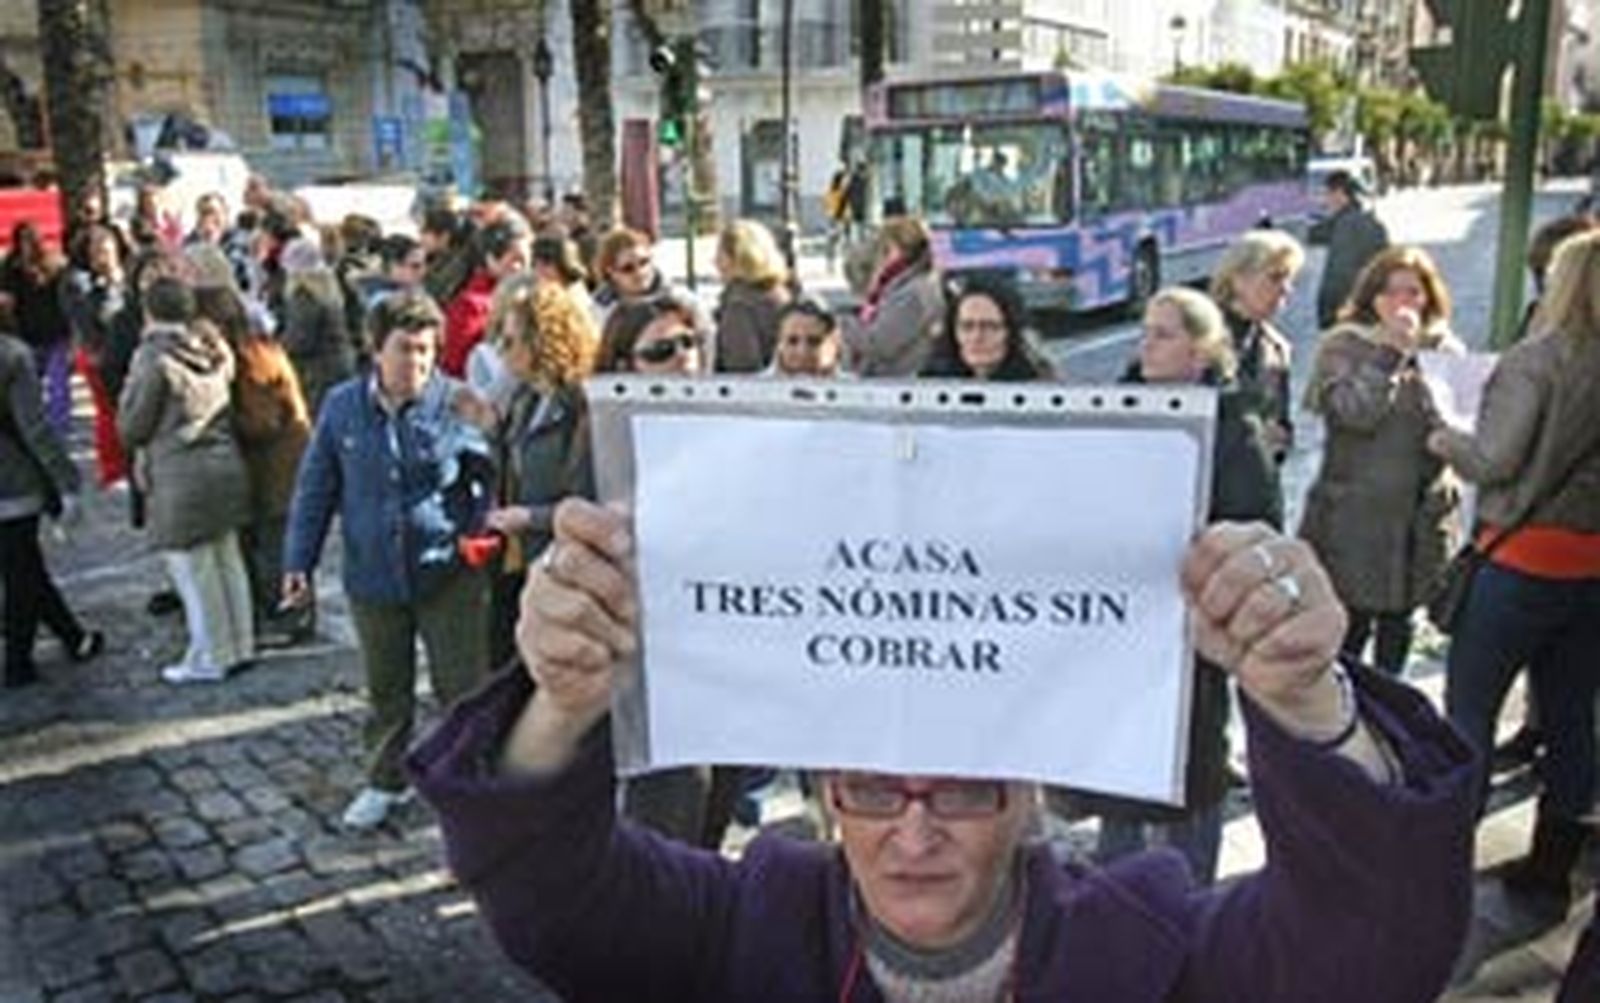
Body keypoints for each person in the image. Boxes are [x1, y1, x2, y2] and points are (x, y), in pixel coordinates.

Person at [409, 497, 1477, 1001]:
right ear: (829, 793)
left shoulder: (1153, 954)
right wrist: (561, 699)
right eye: (874, 789)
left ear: (1022, 798)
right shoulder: (738, 928)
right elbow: (549, 896)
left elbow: (1376, 949)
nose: (912, 832)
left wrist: (1301, 697)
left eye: (961, 791)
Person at [1427, 229, 1600, 912]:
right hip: (1591, 571)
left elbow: (1494, 461)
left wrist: (1444, 436)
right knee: (1571, 715)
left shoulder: (1539, 360)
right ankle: (1551, 864)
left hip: (1520, 563)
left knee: (1468, 711)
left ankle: (1439, 863)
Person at [1085, 287, 1281, 884]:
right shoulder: (1119, 409)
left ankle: (1190, 896)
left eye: (1163, 334)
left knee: (1191, 766)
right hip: (1124, 625)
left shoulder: (1231, 426)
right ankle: (1112, 888)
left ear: (1200, 351)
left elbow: (1258, 528)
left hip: (1192, 632)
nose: (1145, 344)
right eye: (1145, 331)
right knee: (1119, 760)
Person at [282, 289, 495, 830]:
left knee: (463, 690)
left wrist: (476, 529)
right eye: (405, 349)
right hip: (373, 575)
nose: (417, 362)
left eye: (426, 350)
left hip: (448, 572)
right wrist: (297, 563)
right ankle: (384, 781)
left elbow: (488, 477)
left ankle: (468, 783)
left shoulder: (454, 401)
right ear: (375, 349)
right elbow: (315, 489)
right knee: (386, 689)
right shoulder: (341, 408)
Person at [1300, 247, 1462, 676]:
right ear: (1372, 297)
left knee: (1399, 630)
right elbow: (1354, 414)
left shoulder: (1445, 349)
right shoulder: (1344, 345)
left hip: (1416, 517)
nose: (1402, 303)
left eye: (1413, 292)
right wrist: (1388, 355)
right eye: (1390, 292)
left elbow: (1457, 426)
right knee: (1347, 631)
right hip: (1355, 517)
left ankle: (1392, 723)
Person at [117, 276, 254, 684]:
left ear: (149, 312)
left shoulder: (154, 359)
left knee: (195, 573)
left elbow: (133, 426)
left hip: (180, 475)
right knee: (227, 560)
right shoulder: (214, 349)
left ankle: (211, 657)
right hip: (225, 466)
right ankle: (240, 644)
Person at [189, 253, 313, 647]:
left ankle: (292, 619)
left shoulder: (252, 357)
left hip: (279, 470)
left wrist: (217, 422)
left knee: (278, 552)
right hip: (269, 469)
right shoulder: (252, 348)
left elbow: (264, 422)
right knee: (269, 547)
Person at [481, 279, 598, 668]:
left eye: (511, 340)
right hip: (520, 561)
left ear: (541, 341)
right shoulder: (524, 397)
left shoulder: (580, 407)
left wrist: (530, 517)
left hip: (563, 567)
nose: (502, 350)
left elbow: (589, 499)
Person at [0, 328, 103, 688]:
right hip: (11, 479)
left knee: (23, 565)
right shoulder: (11, 355)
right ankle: (18, 662)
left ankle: (73, 637)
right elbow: (35, 428)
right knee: (20, 570)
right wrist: (66, 481)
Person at [1207, 230, 1304, 463]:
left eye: (1289, 279)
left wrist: (1280, 439)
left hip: (1257, 491)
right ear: (1238, 278)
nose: (1285, 289)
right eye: (1275, 277)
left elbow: (1281, 425)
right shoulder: (1197, 336)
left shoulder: (1277, 347)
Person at [61, 224, 138, 487]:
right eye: (99, 253)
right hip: (102, 356)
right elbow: (91, 323)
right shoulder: (85, 287)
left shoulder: (130, 278)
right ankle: (113, 468)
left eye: (109, 250)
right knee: (108, 413)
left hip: (129, 353)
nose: (105, 258)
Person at [844, 217, 946, 378]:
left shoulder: (914, 293)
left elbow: (880, 343)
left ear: (902, 250)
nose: (880, 257)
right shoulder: (899, 285)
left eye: (886, 249)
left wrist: (843, 326)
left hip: (899, 384)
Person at [0, 222, 71, 438]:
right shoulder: (11, 268)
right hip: (30, 334)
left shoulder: (51, 265)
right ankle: (47, 427)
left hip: (50, 332)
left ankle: (56, 428)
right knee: (37, 385)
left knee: (56, 385)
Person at [918, 274, 1055, 381]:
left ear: (1010, 332)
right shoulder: (927, 386)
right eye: (967, 327)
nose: (976, 337)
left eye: (990, 326)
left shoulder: (1039, 388)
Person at [441, 219, 530, 379]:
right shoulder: (471, 305)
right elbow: (455, 365)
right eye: (516, 260)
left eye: (527, 261)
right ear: (491, 259)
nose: (523, 268)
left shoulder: (533, 294)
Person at [278, 237, 353, 418]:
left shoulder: (304, 294)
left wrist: (278, 347)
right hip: (341, 362)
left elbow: (300, 339)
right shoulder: (329, 285)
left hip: (317, 370)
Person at [1309, 170, 1390, 328]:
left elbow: (1340, 277)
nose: (1326, 201)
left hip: (1346, 312)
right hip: (1373, 311)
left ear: (1339, 194)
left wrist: (1328, 315)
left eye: (1328, 194)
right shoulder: (1375, 225)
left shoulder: (1343, 225)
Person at [712, 220, 791, 373]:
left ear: (737, 258)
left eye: (720, 254)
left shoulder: (740, 306)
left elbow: (741, 367)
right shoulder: (780, 295)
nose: (715, 262)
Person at [765, 298, 845, 378]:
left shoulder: (855, 388)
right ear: (779, 344)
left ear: (835, 344)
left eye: (814, 342)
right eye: (792, 341)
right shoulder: (754, 388)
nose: (802, 351)